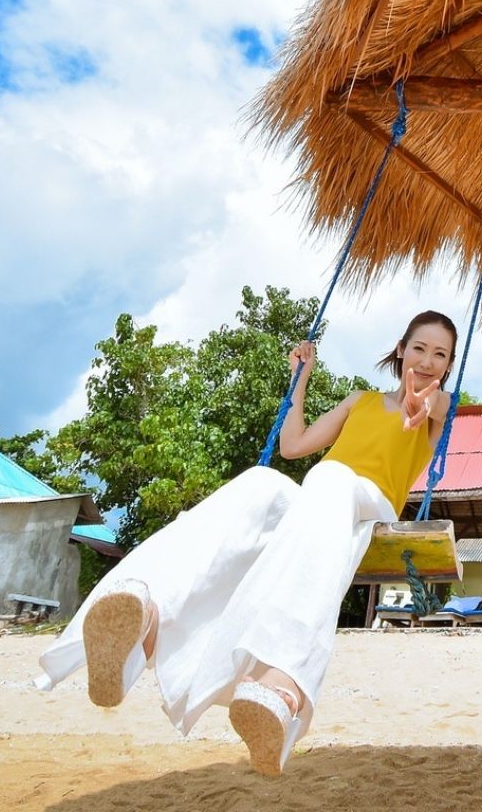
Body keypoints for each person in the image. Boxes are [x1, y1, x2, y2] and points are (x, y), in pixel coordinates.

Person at [36, 311, 457, 774]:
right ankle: (145, 621)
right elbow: (293, 445)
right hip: (320, 497)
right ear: (401, 350)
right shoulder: (361, 400)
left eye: (441, 355)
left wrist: (426, 402)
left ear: (449, 365)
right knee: (260, 485)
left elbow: (435, 406)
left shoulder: (438, 410)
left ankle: (282, 682)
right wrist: (301, 379)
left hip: (369, 507)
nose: (427, 361)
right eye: (420, 349)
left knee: (332, 476)